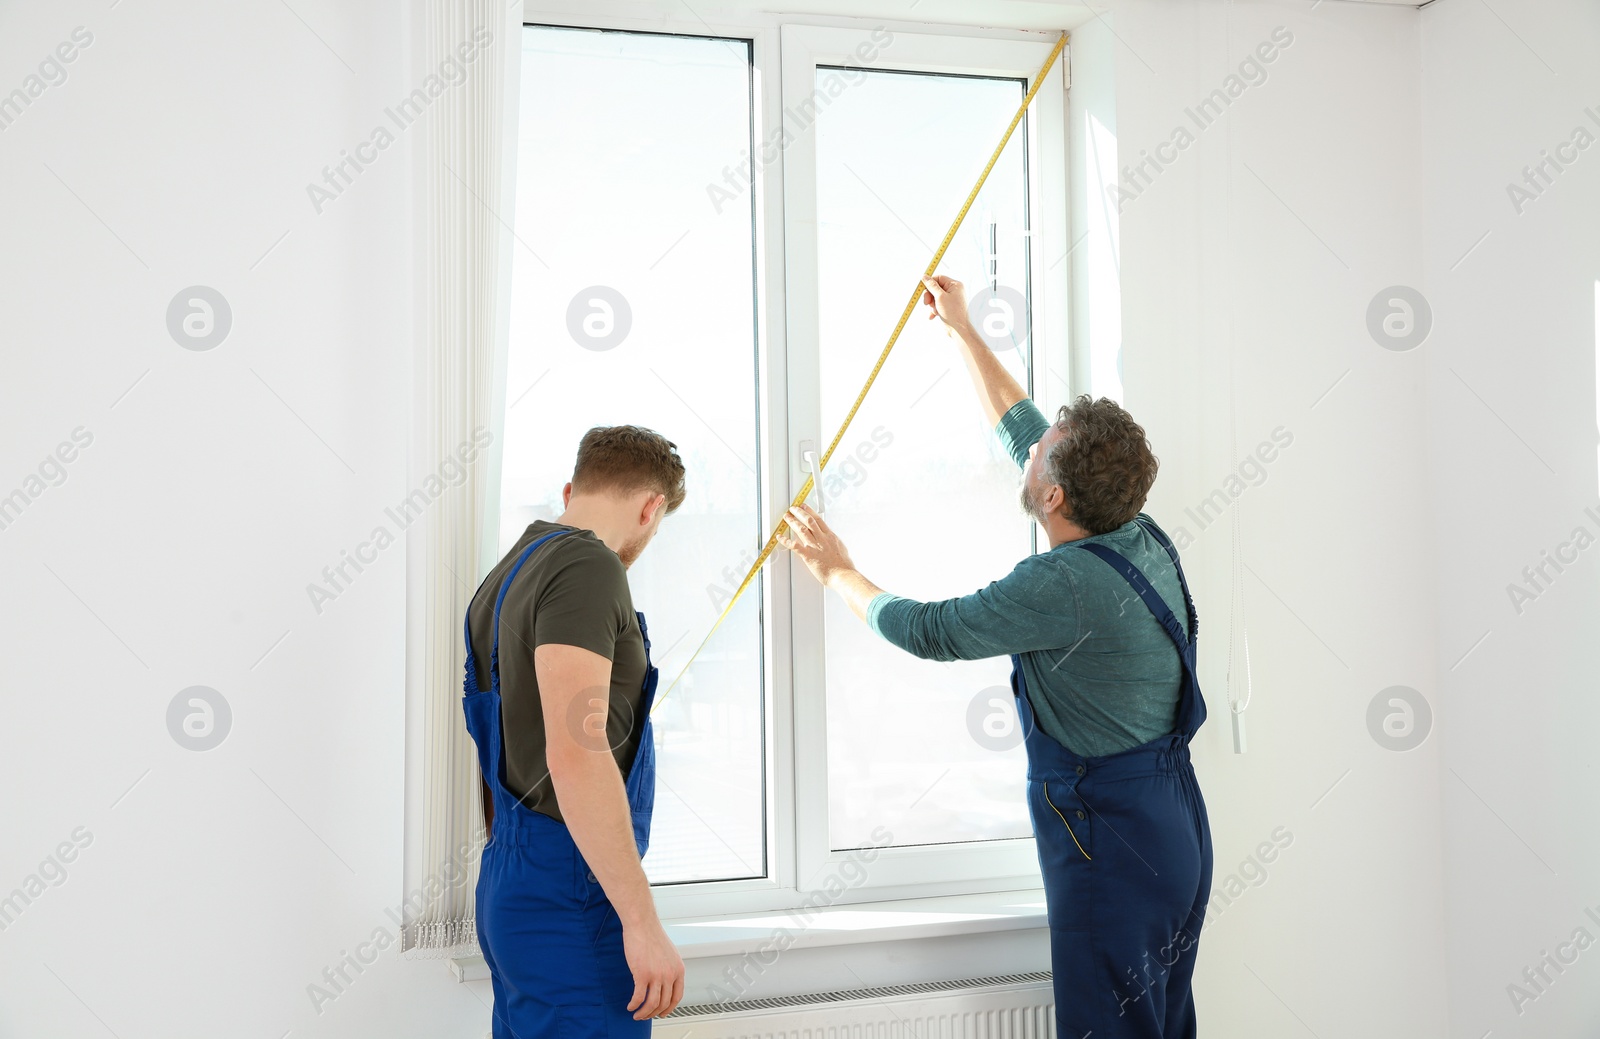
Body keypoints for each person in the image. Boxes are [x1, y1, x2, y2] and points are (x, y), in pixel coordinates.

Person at [778, 275, 1214, 1039]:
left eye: (1040, 457)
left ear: (1052, 497)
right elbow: (1025, 429)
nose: (1029, 449)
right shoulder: (1135, 532)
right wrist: (964, 332)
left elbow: (929, 629)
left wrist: (835, 569)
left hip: (1111, 845)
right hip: (1174, 831)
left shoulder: (1061, 586)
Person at [461, 425, 688, 1035]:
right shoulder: (589, 565)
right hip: (571, 891)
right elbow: (577, 752)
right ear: (650, 508)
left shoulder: (509, 573)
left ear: (571, 489)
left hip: (513, 872)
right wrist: (641, 923)